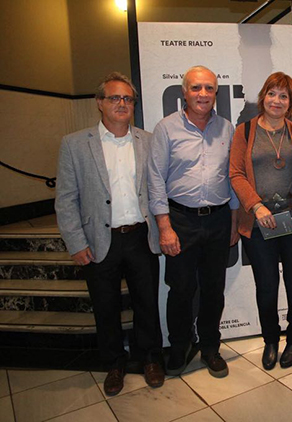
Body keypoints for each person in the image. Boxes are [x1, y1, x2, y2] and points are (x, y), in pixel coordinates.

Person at [55, 72, 164, 396]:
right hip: (99, 240)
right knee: (105, 306)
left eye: (128, 99)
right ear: (99, 103)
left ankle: (150, 359)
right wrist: (76, 243)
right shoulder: (75, 144)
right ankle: (114, 364)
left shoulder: (148, 140)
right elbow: (65, 199)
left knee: (147, 303)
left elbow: (158, 189)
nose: (122, 103)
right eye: (114, 98)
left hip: (141, 236)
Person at [148, 65, 240, 378]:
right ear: (184, 92)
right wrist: (164, 227)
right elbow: (155, 179)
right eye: (196, 88)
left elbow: (231, 177)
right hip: (180, 221)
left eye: (209, 88)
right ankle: (180, 346)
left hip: (218, 219)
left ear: (216, 93)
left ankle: (211, 347)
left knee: (214, 288)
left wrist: (234, 221)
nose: (203, 94)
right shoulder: (166, 129)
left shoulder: (226, 128)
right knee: (181, 289)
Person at [229, 72, 292, 370]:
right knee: (266, 286)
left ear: (290, 103)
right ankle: (271, 340)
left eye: (284, 96)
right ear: (263, 97)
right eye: (272, 93)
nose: (276, 100)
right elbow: (236, 173)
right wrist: (256, 207)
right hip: (259, 224)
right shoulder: (245, 131)